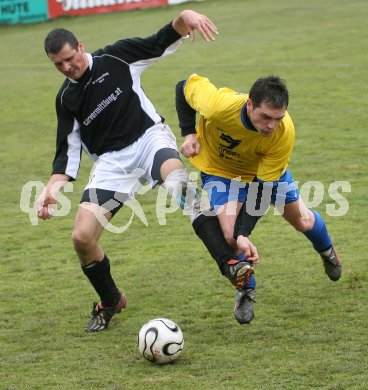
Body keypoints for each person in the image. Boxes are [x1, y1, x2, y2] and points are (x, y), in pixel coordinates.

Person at [36, 10, 220, 333]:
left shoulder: (115, 58)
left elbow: (158, 41)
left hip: (149, 139)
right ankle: (110, 300)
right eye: (58, 65)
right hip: (112, 165)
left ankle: (229, 260)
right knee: (82, 238)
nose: (67, 67)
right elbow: (66, 152)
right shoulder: (66, 99)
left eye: (69, 58)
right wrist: (51, 188)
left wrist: (184, 17)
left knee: (181, 186)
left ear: (80, 46)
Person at [175, 73, 342, 325]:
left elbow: (261, 192)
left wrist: (246, 232)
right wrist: (189, 133)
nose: (271, 125)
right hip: (222, 172)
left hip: (262, 175)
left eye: (278, 118)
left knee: (303, 221)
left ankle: (327, 250)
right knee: (230, 235)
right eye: (265, 117)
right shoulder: (219, 105)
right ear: (249, 104)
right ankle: (246, 288)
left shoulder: (283, 133)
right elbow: (183, 86)